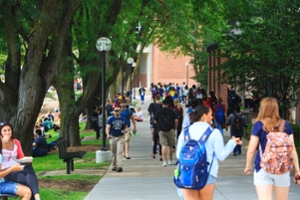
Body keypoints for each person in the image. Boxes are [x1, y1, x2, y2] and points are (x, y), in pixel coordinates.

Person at [176, 105, 242, 200]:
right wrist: (232, 142)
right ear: (204, 115)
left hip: (187, 173)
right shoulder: (214, 133)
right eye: (210, 114)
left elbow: (179, 155)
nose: (212, 117)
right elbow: (221, 155)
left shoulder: (185, 133)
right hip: (207, 173)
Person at [244, 97, 300, 200]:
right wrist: (297, 169)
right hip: (282, 168)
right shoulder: (285, 125)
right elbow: (292, 149)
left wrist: (248, 166)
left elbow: (251, 149)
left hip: (263, 167)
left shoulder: (258, 125)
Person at [0, 122, 41, 200]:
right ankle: (37, 197)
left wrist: (27, 159)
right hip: (6, 172)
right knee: (29, 184)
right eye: (4, 131)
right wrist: (3, 143)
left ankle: (37, 197)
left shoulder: (16, 142)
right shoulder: (0, 144)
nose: (7, 132)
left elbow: (21, 157)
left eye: (9, 130)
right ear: (0, 133)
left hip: (17, 167)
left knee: (29, 168)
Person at [154, 100, 178, 166]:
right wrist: (175, 128)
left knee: (163, 145)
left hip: (161, 130)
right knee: (170, 145)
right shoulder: (171, 111)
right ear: (168, 104)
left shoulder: (159, 111)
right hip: (170, 129)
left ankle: (164, 161)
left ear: (162, 104)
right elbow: (176, 120)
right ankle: (170, 160)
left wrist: (158, 126)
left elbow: (155, 121)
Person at [106, 105, 128, 172]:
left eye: (118, 111)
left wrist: (125, 130)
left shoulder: (123, 119)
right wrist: (107, 134)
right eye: (115, 111)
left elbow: (126, 127)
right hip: (112, 137)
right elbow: (107, 127)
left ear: (120, 111)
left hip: (120, 137)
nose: (116, 112)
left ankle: (120, 166)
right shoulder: (111, 119)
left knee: (119, 152)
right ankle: (114, 165)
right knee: (113, 152)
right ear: (113, 111)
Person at [148, 95, 163, 160]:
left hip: (153, 122)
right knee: (160, 140)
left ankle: (154, 153)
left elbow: (149, 113)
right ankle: (161, 155)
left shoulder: (152, 105)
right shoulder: (161, 105)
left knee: (154, 138)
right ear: (159, 98)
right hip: (160, 122)